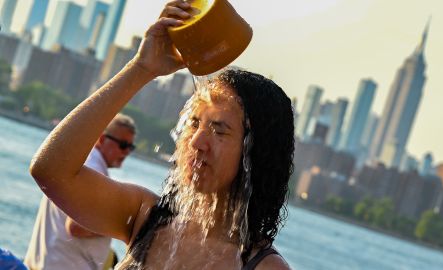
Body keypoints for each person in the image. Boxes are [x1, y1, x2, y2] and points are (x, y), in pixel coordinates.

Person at [29, 1, 294, 269]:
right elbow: (51, 171)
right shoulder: (144, 217)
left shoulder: (263, 266)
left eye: (219, 130)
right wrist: (142, 68)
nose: (196, 141)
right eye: (193, 123)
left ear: (256, 152)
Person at [24, 114, 137, 270]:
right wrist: (125, 224)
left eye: (131, 147)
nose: (126, 152)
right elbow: (77, 227)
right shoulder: (93, 172)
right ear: (102, 139)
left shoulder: (77, 164)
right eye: (123, 145)